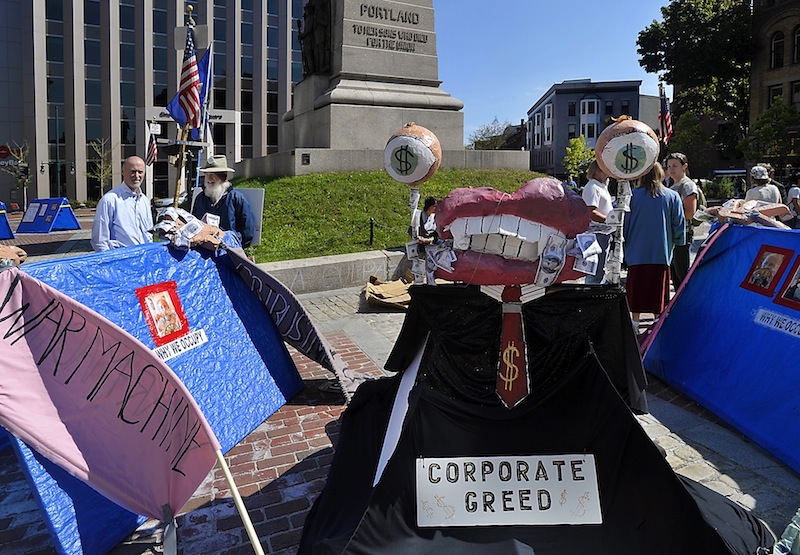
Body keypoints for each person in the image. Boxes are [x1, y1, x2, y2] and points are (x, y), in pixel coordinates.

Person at [623, 162, 685, 331]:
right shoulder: (672, 196)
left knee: (636, 290)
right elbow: (678, 224)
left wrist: (624, 245)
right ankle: (657, 322)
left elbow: (624, 225)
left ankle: (635, 322)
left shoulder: (632, 197)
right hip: (661, 251)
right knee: (658, 291)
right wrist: (679, 242)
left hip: (636, 251)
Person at [91, 156, 154, 252]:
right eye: (133, 172)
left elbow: (149, 234)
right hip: (120, 262)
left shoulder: (144, 201)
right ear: (123, 172)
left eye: (140, 172)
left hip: (143, 259)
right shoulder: (110, 200)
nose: (137, 176)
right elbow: (99, 240)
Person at [192, 154, 256, 248]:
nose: (209, 179)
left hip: (228, 248)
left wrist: (237, 247)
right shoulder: (200, 199)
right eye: (207, 175)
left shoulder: (236, 198)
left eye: (213, 175)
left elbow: (247, 229)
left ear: (224, 177)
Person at [664, 152, 698, 290]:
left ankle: (688, 304)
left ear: (684, 166)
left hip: (682, 234)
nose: (671, 169)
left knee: (682, 273)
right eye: (669, 166)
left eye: (675, 166)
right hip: (672, 234)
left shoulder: (687, 185)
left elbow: (690, 213)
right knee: (675, 276)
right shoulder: (671, 185)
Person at [581, 161, 613, 284]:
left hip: (603, 233)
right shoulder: (592, 187)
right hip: (597, 234)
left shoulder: (600, 186)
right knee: (595, 271)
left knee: (599, 270)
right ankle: (591, 294)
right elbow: (591, 212)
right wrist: (609, 220)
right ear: (597, 170)